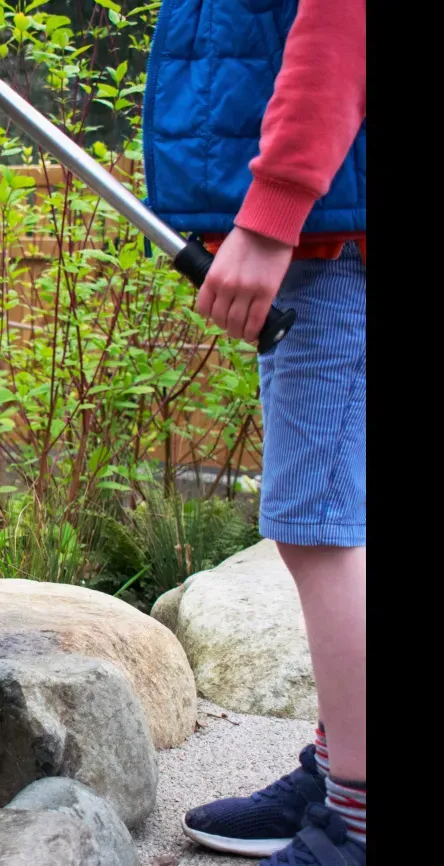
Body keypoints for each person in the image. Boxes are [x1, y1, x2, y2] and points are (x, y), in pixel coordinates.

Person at [142, 0, 365, 864]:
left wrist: (274, 211)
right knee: (341, 518)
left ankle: (356, 815)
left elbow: (341, 26)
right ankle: (344, 757)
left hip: (328, 240)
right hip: (331, 227)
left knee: (318, 525)